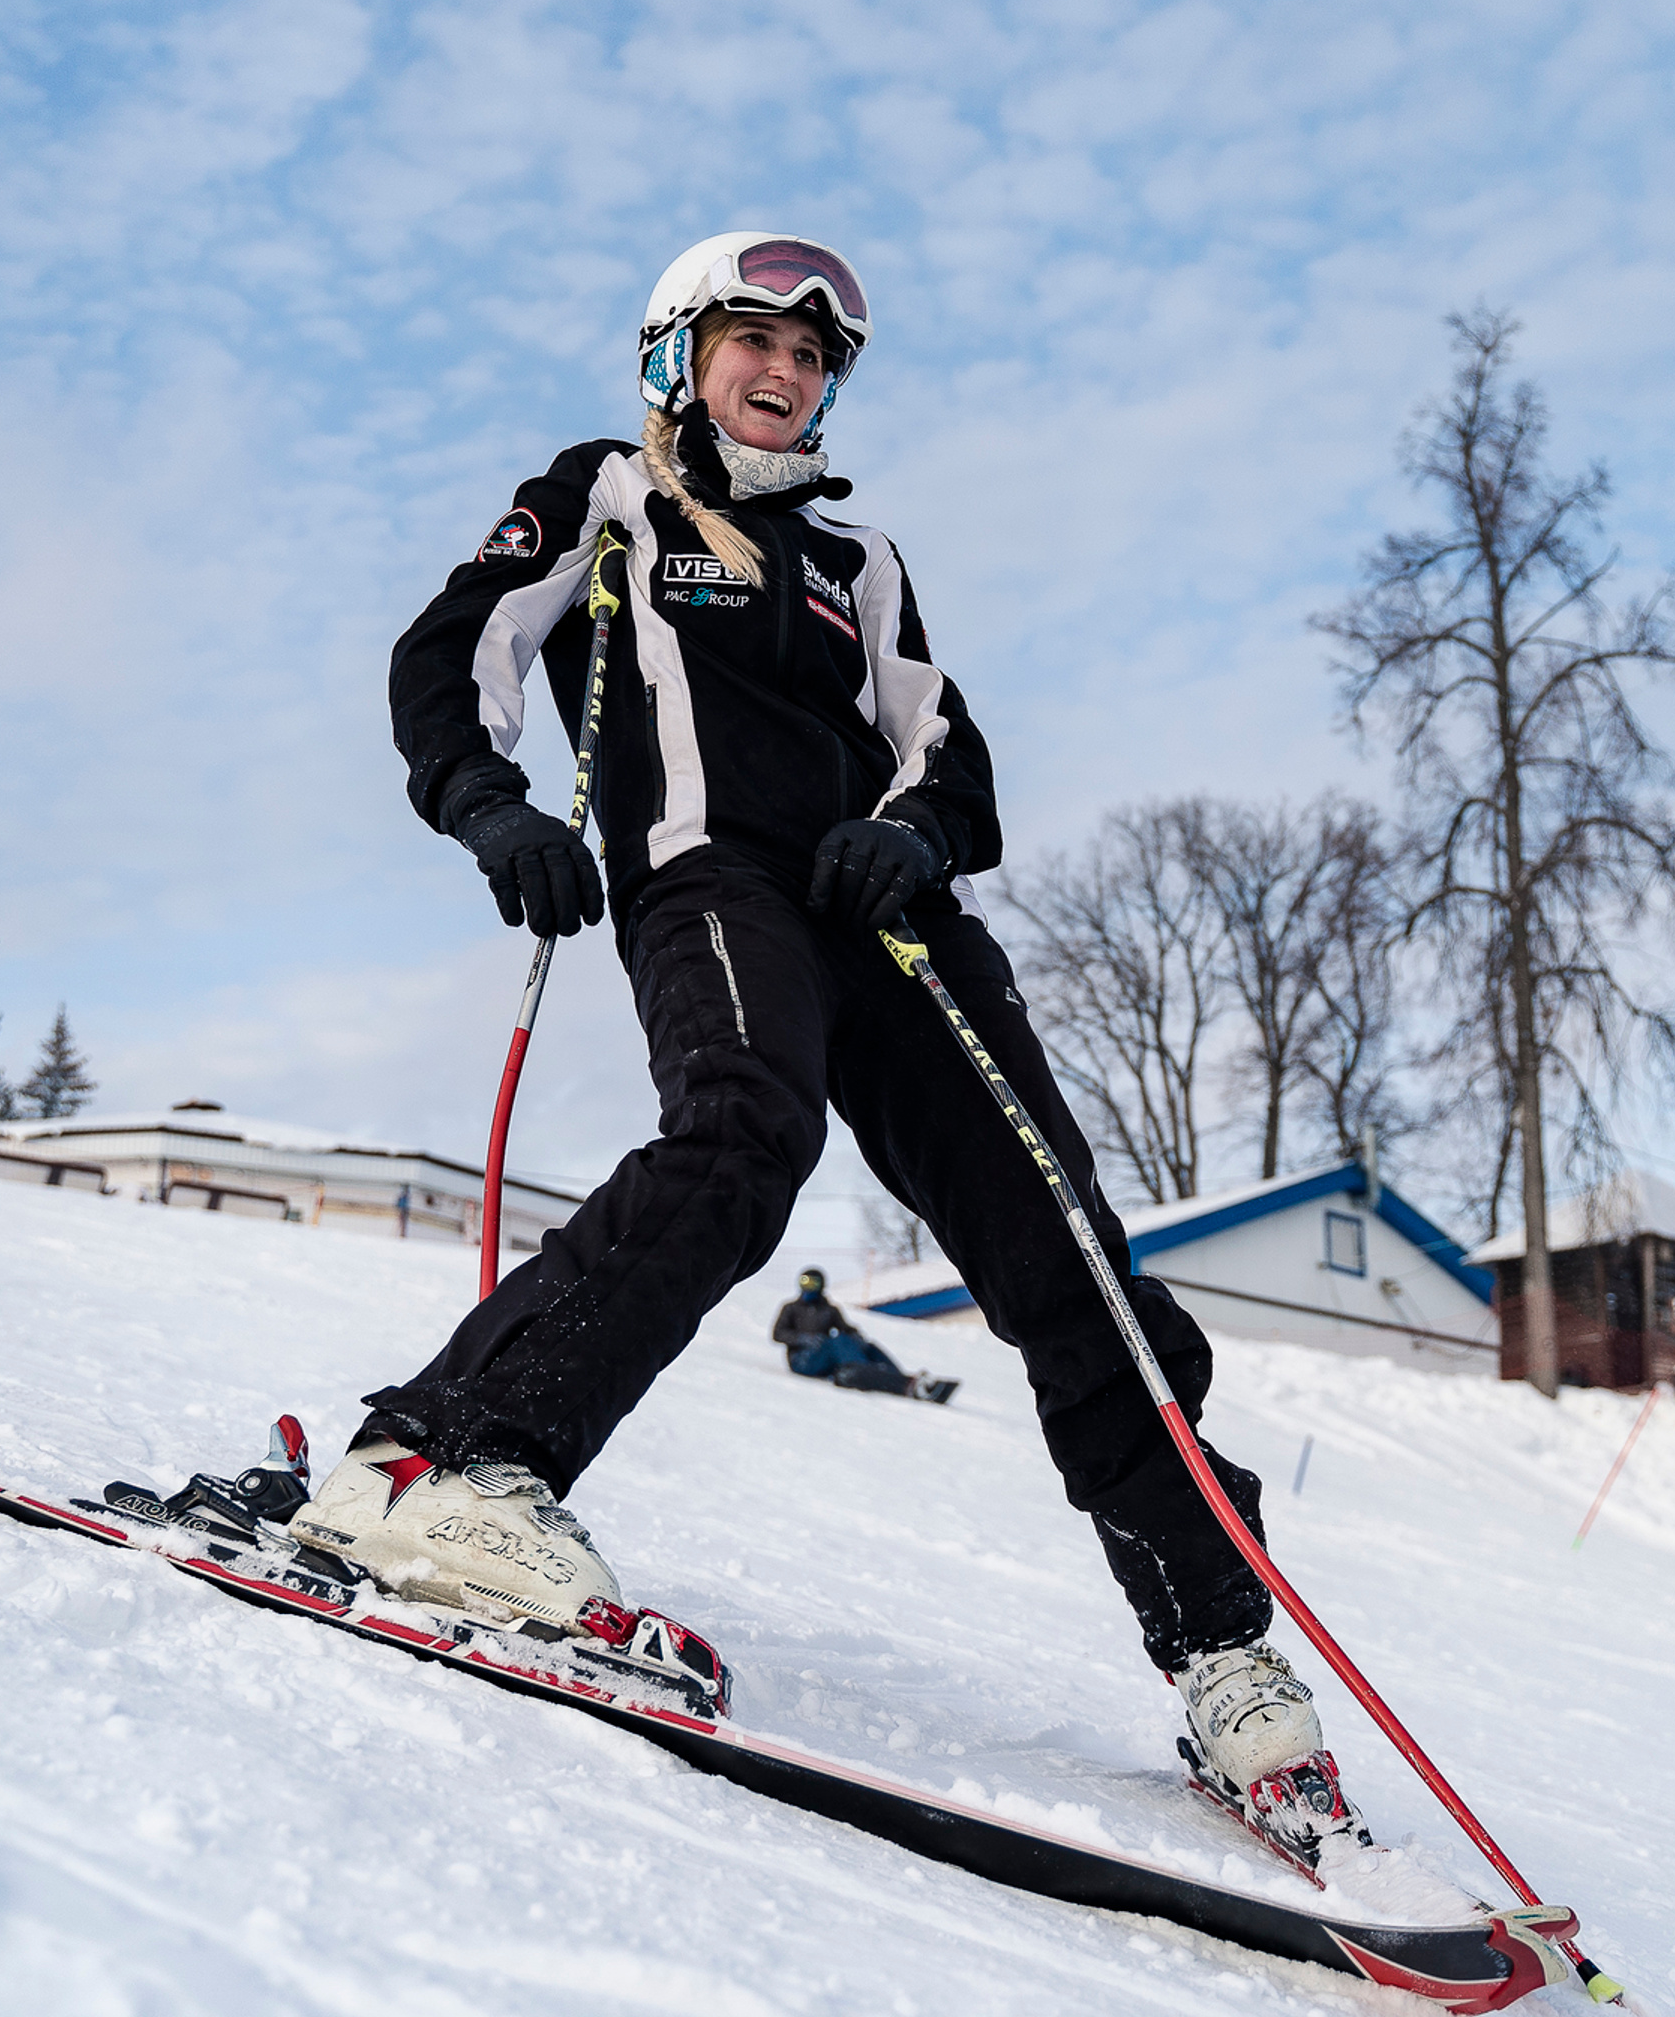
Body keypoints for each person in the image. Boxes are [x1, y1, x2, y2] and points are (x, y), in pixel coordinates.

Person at [287, 232, 1365, 1862]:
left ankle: (1219, 1646)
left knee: (1063, 1247)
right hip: (712, 880)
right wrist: (485, 800)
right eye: (755, 344)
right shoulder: (608, 496)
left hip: (889, 921)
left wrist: (916, 835)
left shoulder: (861, 565)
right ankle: (434, 1466)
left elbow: (958, 761)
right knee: (743, 1133)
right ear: (680, 353)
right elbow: (453, 650)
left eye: (814, 356)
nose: (787, 375)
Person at [770, 1266, 957, 1402]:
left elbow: (846, 1328)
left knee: (866, 1345)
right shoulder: (791, 1308)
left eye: (813, 1282)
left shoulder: (829, 1310)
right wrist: (804, 1339)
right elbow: (778, 1333)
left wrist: (857, 1338)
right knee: (836, 1341)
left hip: (826, 1360)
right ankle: (863, 1371)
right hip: (803, 1361)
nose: (809, 1287)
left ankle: (898, 1377)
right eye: (805, 1282)